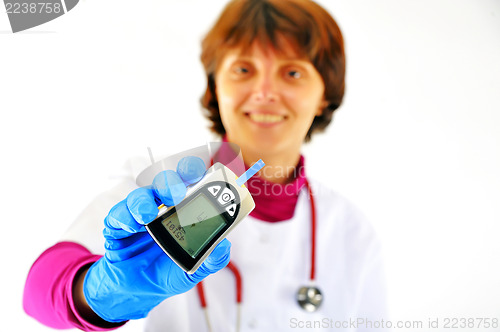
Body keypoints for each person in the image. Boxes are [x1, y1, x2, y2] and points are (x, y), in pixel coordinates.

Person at [23, 0, 387, 331]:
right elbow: (38, 293)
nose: (264, 91)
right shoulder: (154, 185)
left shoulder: (352, 232)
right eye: (244, 69)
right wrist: (102, 291)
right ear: (215, 86)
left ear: (325, 94)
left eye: (292, 73)